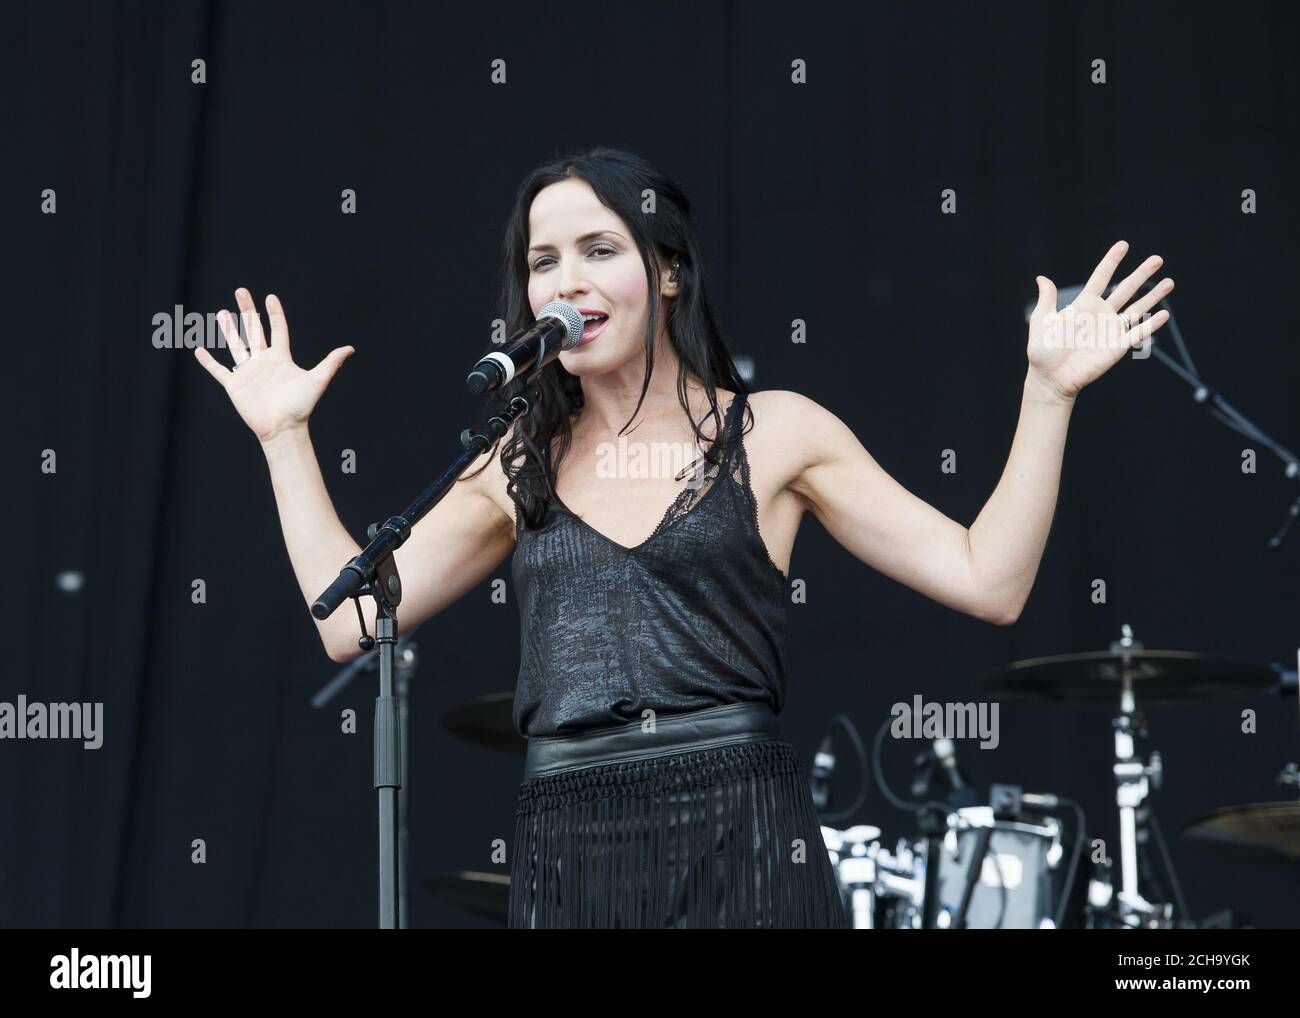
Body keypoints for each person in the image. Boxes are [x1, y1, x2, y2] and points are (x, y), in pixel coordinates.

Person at [194, 146, 1174, 929]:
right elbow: (348, 617)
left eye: (598, 249)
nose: (566, 280)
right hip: (570, 841)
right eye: (543, 262)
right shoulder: (513, 462)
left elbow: (987, 578)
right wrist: (284, 436)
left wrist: (1045, 395)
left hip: (739, 835)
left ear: (665, 272)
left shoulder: (776, 431)